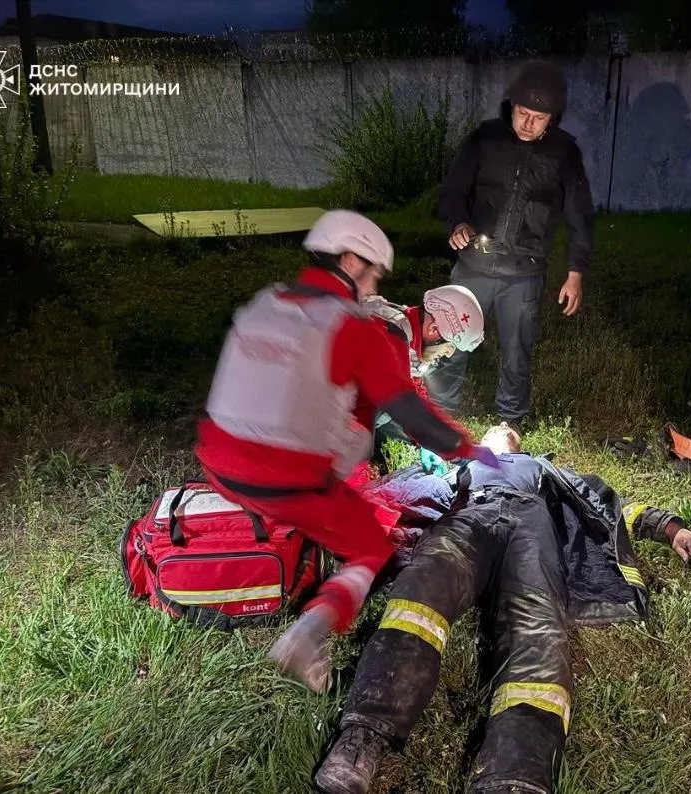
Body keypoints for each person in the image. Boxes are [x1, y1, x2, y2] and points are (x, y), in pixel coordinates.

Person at [194, 209, 499, 692]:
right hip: (280, 475)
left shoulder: (268, 302)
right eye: (373, 272)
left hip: (215, 460)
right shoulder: (358, 327)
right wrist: (467, 449)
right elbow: (409, 411)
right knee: (371, 545)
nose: (373, 285)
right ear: (352, 261)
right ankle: (305, 638)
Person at [313, 423, 691, 794]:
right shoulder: (460, 468)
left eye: (508, 429)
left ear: (519, 445)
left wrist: (671, 528)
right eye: (496, 428)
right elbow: (394, 494)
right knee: (421, 593)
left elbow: (603, 504)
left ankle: (517, 775)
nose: (502, 429)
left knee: (539, 634)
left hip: (530, 529)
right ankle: (364, 736)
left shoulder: (541, 468)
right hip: (468, 518)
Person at [427, 60, 596, 428]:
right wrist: (457, 222)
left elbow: (579, 215)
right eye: (523, 113)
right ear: (511, 106)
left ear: (553, 118)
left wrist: (576, 272)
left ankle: (510, 421)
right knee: (450, 340)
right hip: (473, 265)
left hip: (524, 272)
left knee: (518, 351)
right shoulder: (485, 138)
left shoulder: (565, 153)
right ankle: (439, 414)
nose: (528, 124)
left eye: (539, 117)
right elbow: (453, 191)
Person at [362, 286, 486, 473]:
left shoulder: (406, 333)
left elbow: (415, 392)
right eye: (451, 346)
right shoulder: (387, 331)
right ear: (433, 329)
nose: (448, 354)